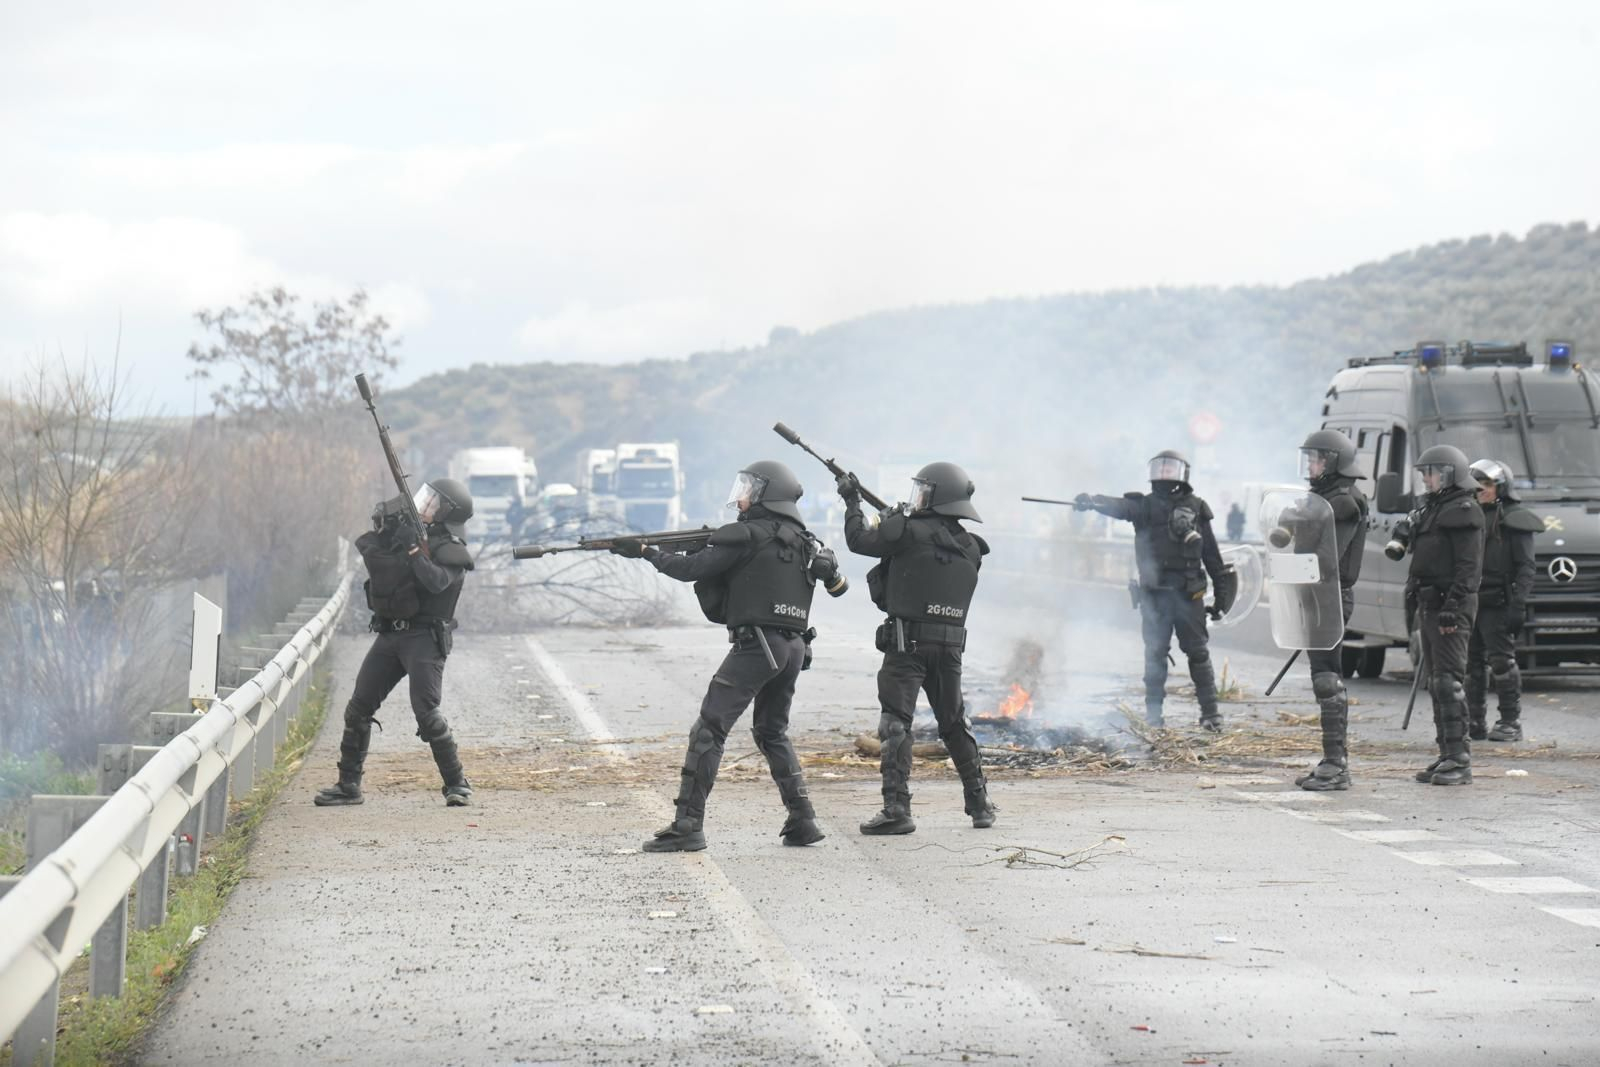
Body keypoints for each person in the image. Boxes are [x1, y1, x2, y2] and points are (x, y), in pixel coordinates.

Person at [610, 460, 845, 852]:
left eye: (750, 488)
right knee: (771, 731)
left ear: (768, 494)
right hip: (792, 649)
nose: (742, 495)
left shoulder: (747, 535)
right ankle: (803, 820)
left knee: (709, 729)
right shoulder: (805, 541)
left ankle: (687, 825)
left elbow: (690, 569)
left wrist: (647, 552)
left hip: (758, 646)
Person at [839, 462, 996, 835]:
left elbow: (859, 541)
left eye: (924, 492)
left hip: (906, 645)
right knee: (955, 724)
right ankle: (980, 804)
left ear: (937, 497)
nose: (918, 498)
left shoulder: (907, 531)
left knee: (896, 724)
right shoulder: (971, 547)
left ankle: (897, 809)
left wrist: (851, 501)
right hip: (949, 649)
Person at [316, 478, 476, 808]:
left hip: (424, 639)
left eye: (433, 502)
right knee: (357, 708)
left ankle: (457, 783)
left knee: (427, 714)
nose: (425, 504)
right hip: (391, 635)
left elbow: (435, 582)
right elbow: (379, 559)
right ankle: (348, 786)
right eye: (426, 497)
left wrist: (415, 550)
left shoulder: (451, 550)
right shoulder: (410, 537)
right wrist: (387, 525)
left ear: (447, 512)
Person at [1076, 450, 1236, 729]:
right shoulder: (1145, 506)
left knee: (1197, 653)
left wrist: (1222, 596)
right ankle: (1153, 716)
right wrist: (1094, 502)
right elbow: (1121, 507)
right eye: (1160, 468)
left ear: (1182, 473)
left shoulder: (1197, 507)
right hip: (1155, 595)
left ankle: (1210, 714)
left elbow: (1211, 555)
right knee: (1154, 655)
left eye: (1170, 468)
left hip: (1189, 595)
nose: (1164, 472)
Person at [1384, 444, 1485, 786]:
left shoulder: (1465, 510)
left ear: (1448, 473)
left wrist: (1453, 607)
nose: (1425, 479)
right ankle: (1446, 754)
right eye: (1424, 473)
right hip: (1429, 603)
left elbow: (1468, 569)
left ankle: (1460, 759)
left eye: (1431, 472)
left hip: (1449, 606)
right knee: (1436, 682)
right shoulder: (1432, 508)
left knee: (1448, 681)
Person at [1277, 431, 1369, 791]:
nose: (1311, 465)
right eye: (1310, 458)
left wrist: (1293, 570)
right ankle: (1330, 761)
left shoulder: (1344, 502)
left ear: (1333, 461)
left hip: (1330, 595)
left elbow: (1327, 560)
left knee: (1328, 680)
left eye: (1317, 459)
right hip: (1315, 594)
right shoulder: (1321, 499)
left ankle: (1337, 765)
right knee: (1322, 678)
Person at [1467, 458, 1540, 743]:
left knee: (1501, 663)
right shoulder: (1468, 515)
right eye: (1477, 485)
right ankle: (1474, 720)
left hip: (1498, 603)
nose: (1481, 490)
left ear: (1500, 487)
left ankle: (1510, 721)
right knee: (1471, 665)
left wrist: (1518, 603)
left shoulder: (1514, 518)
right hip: (1471, 601)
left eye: (1486, 485)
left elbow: (1526, 566)